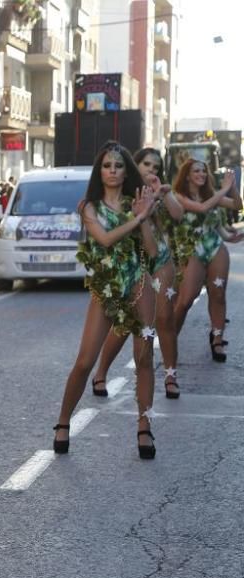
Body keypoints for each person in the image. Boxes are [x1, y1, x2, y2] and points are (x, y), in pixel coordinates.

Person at [53, 142, 159, 460]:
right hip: (106, 288)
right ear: (99, 171)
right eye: (106, 165)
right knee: (85, 361)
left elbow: (152, 252)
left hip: (138, 284)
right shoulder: (89, 206)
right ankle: (62, 423)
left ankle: (144, 426)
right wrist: (138, 220)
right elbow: (105, 239)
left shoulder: (137, 202)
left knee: (143, 359)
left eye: (118, 165)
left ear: (127, 171)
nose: (112, 171)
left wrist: (145, 217)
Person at [89, 148, 184, 399]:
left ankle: (170, 374)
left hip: (160, 260)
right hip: (132, 263)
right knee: (122, 324)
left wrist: (164, 191)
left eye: (156, 166)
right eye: (147, 164)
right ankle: (101, 372)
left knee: (164, 318)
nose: (152, 170)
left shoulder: (159, 191)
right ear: (135, 165)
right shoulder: (122, 193)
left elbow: (178, 215)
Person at [170, 160, 243, 364]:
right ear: (186, 175)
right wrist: (224, 189)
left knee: (218, 293)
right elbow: (201, 209)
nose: (201, 174)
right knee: (185, 299)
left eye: (204, 171)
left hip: (215, 247)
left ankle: (217, 338)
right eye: (196, 171)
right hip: (192, 250)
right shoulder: (179, 197)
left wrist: (233, 188)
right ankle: (170, 339)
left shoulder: (212, 196)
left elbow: (237, 206)